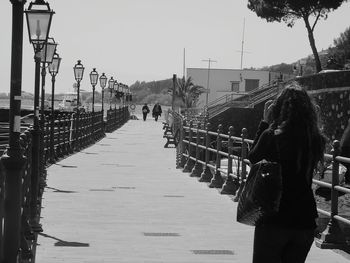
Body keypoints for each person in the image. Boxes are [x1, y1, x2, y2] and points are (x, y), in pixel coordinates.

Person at [248, 82, 326, 263]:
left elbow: (253, 158)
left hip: (274, 219)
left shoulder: (271, 136)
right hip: (304, 221)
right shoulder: (316, 140)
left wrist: (265, 122)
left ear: (277, 109)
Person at [340, 119, 350, 184]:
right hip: (347, 146)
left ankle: (346, 181)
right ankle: (347, 182)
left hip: (345, 145)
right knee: (347, 166)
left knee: (346, 165)